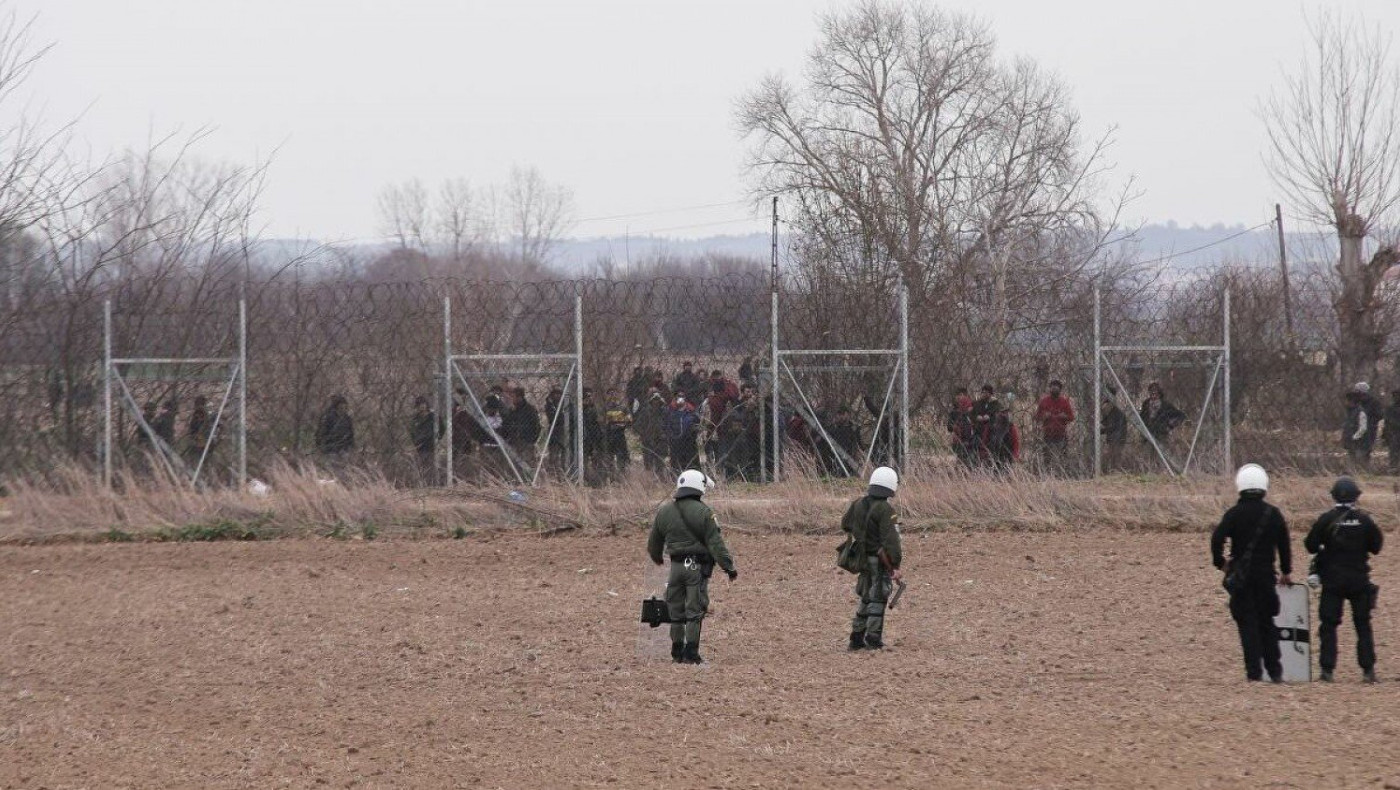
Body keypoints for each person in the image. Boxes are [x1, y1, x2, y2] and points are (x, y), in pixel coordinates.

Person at [1210, 463, 1292, 683]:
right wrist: (1286, 571)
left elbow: (1217, 539)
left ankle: (1254, 674)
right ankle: (1275, 672)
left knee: (1248, 625)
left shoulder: (1234, 514)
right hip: (1266, 577)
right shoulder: (1273, 514)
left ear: (1240, 485)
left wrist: (1221, 563)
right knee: (1267, 623)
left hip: (1242, 579)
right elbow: (1284, 544)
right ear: (1264, 485)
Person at [646, 470, 737, 664]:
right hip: (696, 568)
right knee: (695, 611)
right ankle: (691, 654)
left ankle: (676, 652)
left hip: (676, 568)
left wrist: (657, 558)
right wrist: (729, 567)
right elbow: (716, 544)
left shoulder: (664, 511)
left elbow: (653, 544)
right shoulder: (704, 512)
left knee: (675, 610)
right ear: (699, 487)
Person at [1305, 476, 1383, 683]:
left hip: (1332, 581)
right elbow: (1376, 547)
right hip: (1359, 580)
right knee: (1363, 625)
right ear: (1356, 496)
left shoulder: (1326, 519)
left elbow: (1310, 545)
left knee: (1328, 625)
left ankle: (1327, 670)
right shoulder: (1365, 520)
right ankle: (1368, 670)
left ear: (1334, 496)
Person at [842, 466, 903, 650]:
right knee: (877, 597)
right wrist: (895, 565)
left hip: (862, 559)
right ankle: (873, 639)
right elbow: (891, 541)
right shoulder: (885, 509)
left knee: (866, 597)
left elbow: (845, 524)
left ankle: (856, 638)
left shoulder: (858, 503)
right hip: (879, 560)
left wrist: (863, 536)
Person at [1034, 379, 1075, 474]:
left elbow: (1071, 417)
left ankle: (1062, 473)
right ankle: (1048, 473)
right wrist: (1044, 416)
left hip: (1061, 433)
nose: (1054, 389)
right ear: (1050, 389)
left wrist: (1064, 416)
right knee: (1047, 457)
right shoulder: (1044, 401)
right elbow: (1037, 417)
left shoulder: (1064, 401)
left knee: (1061, 456)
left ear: (1060, 390)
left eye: (1057, 388)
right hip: (1048, 433)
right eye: (1052, 387)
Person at [634, 385, 669, 478]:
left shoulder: (664, 410)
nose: (656, 401)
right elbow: (637, 425)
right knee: (649, 462)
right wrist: (645, 434)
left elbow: (669, 424)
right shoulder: (645, 411)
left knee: (660, 461)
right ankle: (651, 479)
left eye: (657, 398)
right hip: (648, 441)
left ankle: (660, 477)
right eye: (654, 398)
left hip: (661, 440)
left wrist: (665, 434)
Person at [1343, 384, 1379, 471]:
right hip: (1354, 442)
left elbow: (1363, 428)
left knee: (1361, 460)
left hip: (1361, 442)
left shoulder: (1360, 412)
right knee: (1353, 460)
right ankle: (1354, 472)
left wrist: (1354, 437)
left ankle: (1368, 472)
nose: (1345, 402)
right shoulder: (1350, 412)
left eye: (1347, 400)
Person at [664, 391, 700, 474]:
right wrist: (670, 436)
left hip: (689, 442)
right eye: (678, 396)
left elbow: (697, 423)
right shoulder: (670, 410)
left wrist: (694, 432)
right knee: (676, 464)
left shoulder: (691, 410)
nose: (680, 399)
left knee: (691, 463)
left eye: (682, 396)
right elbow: (666, 425)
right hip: (675, 443)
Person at [1140, 382, 1185, 446]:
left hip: (1161, 435)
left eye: (1155, 392)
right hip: (1147, 435)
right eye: (1151, 392)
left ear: (1159, 393)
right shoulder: (1146, 404)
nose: (1153, 395)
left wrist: (1171, 424)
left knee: (1161, 450)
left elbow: (1181, 415)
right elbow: (1141, 416)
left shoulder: (1166, 405)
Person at [604, 388, 632, 476]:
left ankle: (621, 474)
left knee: (621, 454)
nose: (612, 396)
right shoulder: (606, 408)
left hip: (619, 434)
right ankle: (611, 475)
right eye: (610, 394)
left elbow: (629, 420)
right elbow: (603, 421)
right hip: (609, 434)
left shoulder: (623, 407)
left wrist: (621, 424)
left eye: (614, 393)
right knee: (610, 455)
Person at [945, 389, 976, 468]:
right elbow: (949, 427)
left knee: (970, 460)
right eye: (957, 395)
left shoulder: (974, 409)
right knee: (961, 459)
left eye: (961, 395)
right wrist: (955, 427)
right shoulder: (954, 412)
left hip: (972, 440)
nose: (959, 397)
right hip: (959, 440)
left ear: (966, 395)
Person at [1100, 386, 1128, 473]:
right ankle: (1110, 473)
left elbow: (1113, 425)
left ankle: (1114, 473)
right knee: (1109, 458)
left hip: (1117, 437)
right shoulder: (1107, 406)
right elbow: (1107, 421)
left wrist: (1101, 430)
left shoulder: (1113, 408)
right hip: (1113, 436)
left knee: (1113, 458)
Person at [409, 395, 437, 466]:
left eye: (423, 404)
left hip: (431, 445)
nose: (422, 406)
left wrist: (437, 437)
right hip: (420, 446)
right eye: (420, 405)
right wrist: (416, 441)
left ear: (426, 404)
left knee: (430, 464)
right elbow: (412, 432)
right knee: (421, 465)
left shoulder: (432, 416)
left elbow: (442, 427)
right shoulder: (415, 419)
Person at [1384, 390, 1400, 474]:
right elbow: (1387, 421)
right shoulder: (1390, 408)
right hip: (1393, 433)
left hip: (1395, 432)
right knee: (1393, 452)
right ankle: (1393, 468)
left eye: (1398, 396)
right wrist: (1385, 434)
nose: (1396, 398)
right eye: (1395, 396)